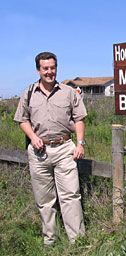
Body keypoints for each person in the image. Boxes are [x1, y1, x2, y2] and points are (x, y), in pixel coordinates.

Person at [14, 51, 87, 246]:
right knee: (45, 200)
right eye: (45, 68)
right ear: (38, 70)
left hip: (65, 149)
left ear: (56, 68)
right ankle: (50, 241)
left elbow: (79, 118)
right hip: (39, 152)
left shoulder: (68, 92)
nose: (49, 72)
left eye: (52, 68)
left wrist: (80, 144)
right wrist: (32, 137)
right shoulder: (28, 93)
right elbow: (22, 119)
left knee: (70, 196)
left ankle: (77, 241)